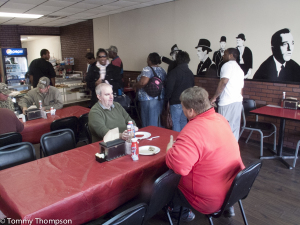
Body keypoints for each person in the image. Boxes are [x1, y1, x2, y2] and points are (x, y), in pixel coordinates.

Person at [165, 86, 245, 221]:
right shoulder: (220, 119)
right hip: (233, 189)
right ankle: (227, 208)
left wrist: (169, 150)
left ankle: (182, 213)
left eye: (182, 106)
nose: (182, 109)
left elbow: (179, 168)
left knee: (164, 182)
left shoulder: (192, 130)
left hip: (209, 200)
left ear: (191, 111)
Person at [210, 48, 244, 141]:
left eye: (225, 54)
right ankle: (233, 152)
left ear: (230, 55)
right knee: (234, 129)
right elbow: (241, 89)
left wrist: (214, 98)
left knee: (223, 129)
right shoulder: (239, 69)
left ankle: (223, 152)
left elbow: (224, 81)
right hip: (237, 102)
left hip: (227, 102)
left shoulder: (227, 65)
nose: (223, 56)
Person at [165, 51, 194, 132]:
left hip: (175, 102)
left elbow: (169, 88)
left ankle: (176, 141)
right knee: (183, 121)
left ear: (177, 59)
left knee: (175, 122)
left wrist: (166, 99)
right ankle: (183, 140)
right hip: (186, 102)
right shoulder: (190, 73)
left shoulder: (174, 72)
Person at [135, 52, 166, 127]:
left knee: (148, 121)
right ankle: (158, 136)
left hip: (148, 99)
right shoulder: (162, 70)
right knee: (158, 120)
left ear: (149, 60)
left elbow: (143, 82)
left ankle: (149, 136)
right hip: (160, 98)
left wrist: (135, 85)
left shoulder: (147, 69)